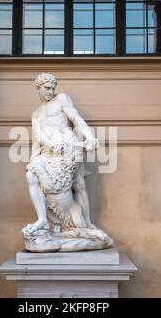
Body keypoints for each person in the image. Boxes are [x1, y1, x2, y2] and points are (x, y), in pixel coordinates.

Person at [24, 73, 99, 234]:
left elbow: (76, 119)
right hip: (49, 152)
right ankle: (42, 220)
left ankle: (87, 222)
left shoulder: (61, 99)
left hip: (69, 148)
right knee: (31, 175)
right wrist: (32, 159)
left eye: (52, 88)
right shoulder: (35, 114)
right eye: (46, 88)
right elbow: (37, 138)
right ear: (38, 88)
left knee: (79, 184)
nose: (50, 91)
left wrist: (90, 137)